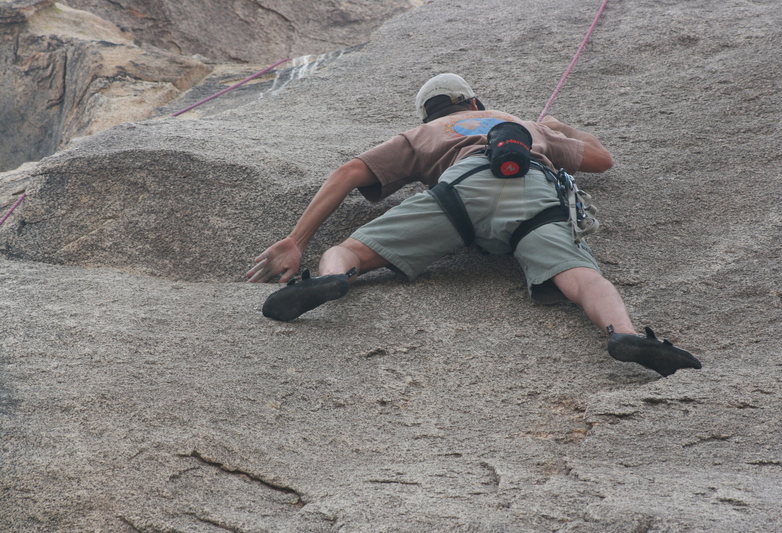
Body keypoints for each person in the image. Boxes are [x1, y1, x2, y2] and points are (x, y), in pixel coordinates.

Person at [246, 73, 702, 377]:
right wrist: (564, 130)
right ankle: (622, 333)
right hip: (534, 196)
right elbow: (602, 160)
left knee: (350, 252)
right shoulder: (520, 124)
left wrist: (296, 239)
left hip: (459, 194)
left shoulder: (424, 134)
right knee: (583, 278)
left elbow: (348, 174)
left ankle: (331, 279)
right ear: (475, 101)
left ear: (429, 113)